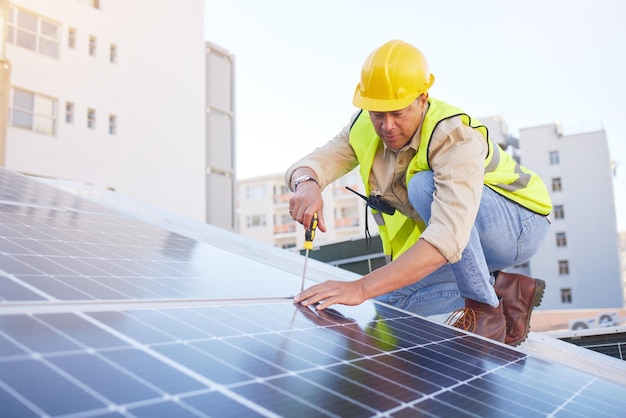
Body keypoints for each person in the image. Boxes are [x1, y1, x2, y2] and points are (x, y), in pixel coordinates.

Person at [287, 40, 552, 346]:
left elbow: (448, 237)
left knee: (424, 185)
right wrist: (307, 183)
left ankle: (485, 308)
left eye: (397, 113)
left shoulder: (454, 136)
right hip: (463, 240)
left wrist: (358, 288)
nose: (387, 126)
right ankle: (505, 290)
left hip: (519, 224)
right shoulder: (362, 126)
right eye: (378, 114)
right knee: (390, 301)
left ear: (422, 99)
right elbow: (316, 162)